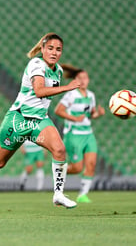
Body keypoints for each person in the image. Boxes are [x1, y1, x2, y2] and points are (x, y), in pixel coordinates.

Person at [0, 33, 81, 213]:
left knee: (60, 150)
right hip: (18, 120)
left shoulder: (59, 71)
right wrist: (67, 87)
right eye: (50, 48)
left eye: (58, 49)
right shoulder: (36, 64)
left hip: (39, 120)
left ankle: (58, 194)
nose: (54, 52)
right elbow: (39, 91)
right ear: (42, 49)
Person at [54, 64, 105, 203]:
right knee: (77, 168)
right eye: (80, 78)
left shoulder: (91, 95)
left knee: (92, 164)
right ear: (76, 80)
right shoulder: (71, 94)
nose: (83, 80)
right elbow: (58, 111)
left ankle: (83, 194)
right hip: (73, 134)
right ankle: (59, 172)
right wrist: (74, 118)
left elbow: (90, 115)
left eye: (85, 78)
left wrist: (98, 114)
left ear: (88, 80)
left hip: (88, 134)